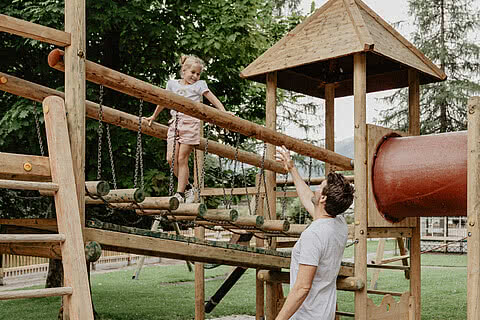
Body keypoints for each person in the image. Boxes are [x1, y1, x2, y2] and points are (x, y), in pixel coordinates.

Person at [275, 145, 354, 320]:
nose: (316, 189)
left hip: (307, 316)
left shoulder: (313, 235)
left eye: (320, 187)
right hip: (324, 314)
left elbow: (302, 288)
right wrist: (292, 168)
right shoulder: (339, 223)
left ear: (323, 198)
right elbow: (308, 199)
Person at [145, 55, 227, 203]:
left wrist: (223, 111)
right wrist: (153, 116)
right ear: (183, 71)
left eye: (198, 73)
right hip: (175, 123)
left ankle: (180, 193)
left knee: (182, 158)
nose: (195, 76)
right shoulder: (172, 84)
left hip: (191, 124)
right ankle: (188, 187)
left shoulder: (200, 85)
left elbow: (212, 98)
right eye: (192, 72)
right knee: (170, 159)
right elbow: (163, 100)